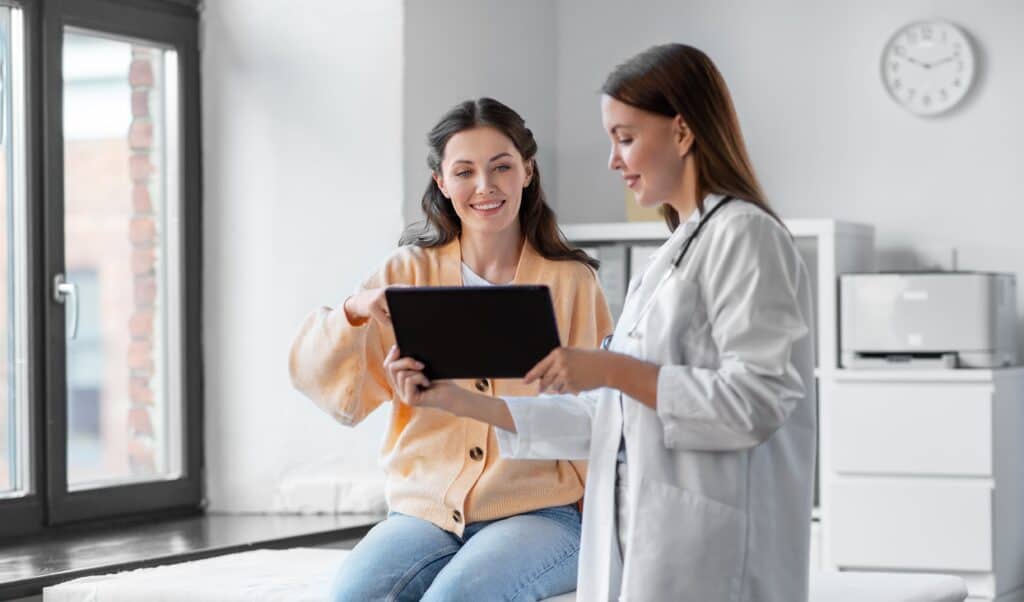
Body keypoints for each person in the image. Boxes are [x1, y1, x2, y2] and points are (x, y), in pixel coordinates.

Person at [386, 44, 816, 601]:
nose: (614, 159)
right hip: (654, 534)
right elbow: (608, 421)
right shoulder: (674, 254)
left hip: (719, 545)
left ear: (683, 133)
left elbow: (759, 399)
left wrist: (612, 369)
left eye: (626, 137)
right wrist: (458, 400)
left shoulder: (744, 236)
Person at [289, 97, 613, 601]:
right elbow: (319, 379)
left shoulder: (571, 282)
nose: (485, 186)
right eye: (464, 171)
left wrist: (601, 523)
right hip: (425, 511)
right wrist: (354, 309)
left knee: (455, 597)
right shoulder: (406, 272)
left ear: (527, 171)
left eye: (501, 167)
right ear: (442, 181)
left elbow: (599, 410)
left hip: (540, 511)